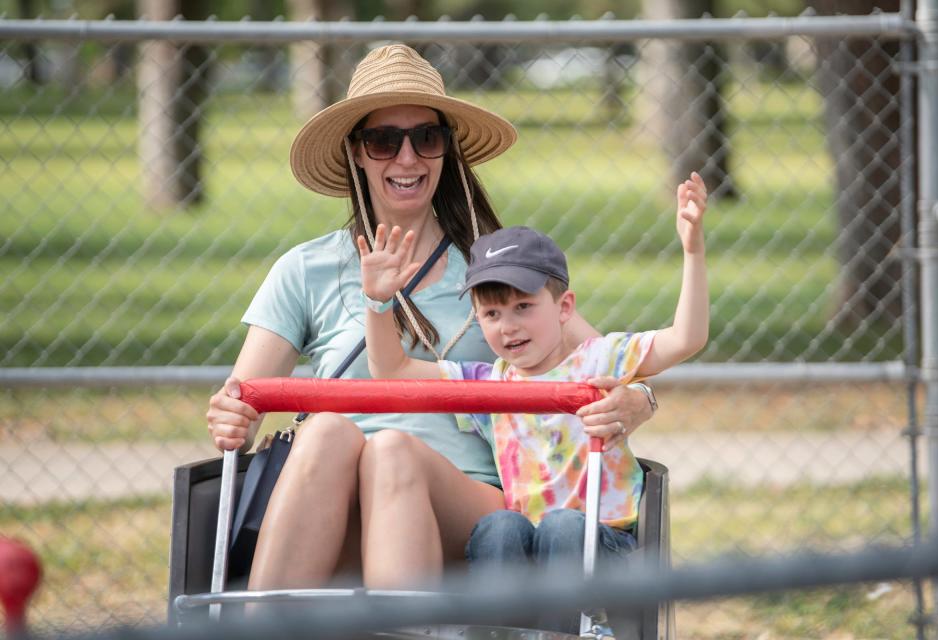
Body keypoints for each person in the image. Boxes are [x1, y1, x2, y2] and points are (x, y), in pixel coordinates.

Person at [205, 43, 657, 592]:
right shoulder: (306, 268)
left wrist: (640, 399)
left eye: (427, 137)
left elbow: (599, 363)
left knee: (393, 450)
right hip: (334, 507)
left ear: (447, 151)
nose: (407, 158)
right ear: (356, 153)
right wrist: (231, 415)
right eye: (383, 140)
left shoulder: (495, 272)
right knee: (324, 431)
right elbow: (243, 399)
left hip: (467, 509)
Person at [359, 178, 706, 629]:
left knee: (563, 526)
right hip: (527, 551)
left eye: (523, 307)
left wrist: (693, 251)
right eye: (491, 314)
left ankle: (580, 627)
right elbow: (393, 371)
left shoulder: (599, 358)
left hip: (605, 544)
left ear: (565, 308)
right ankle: (500, 631)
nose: (507, 327)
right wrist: (378, 301)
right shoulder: (487, 385)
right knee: (498, 528)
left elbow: (687, 338)